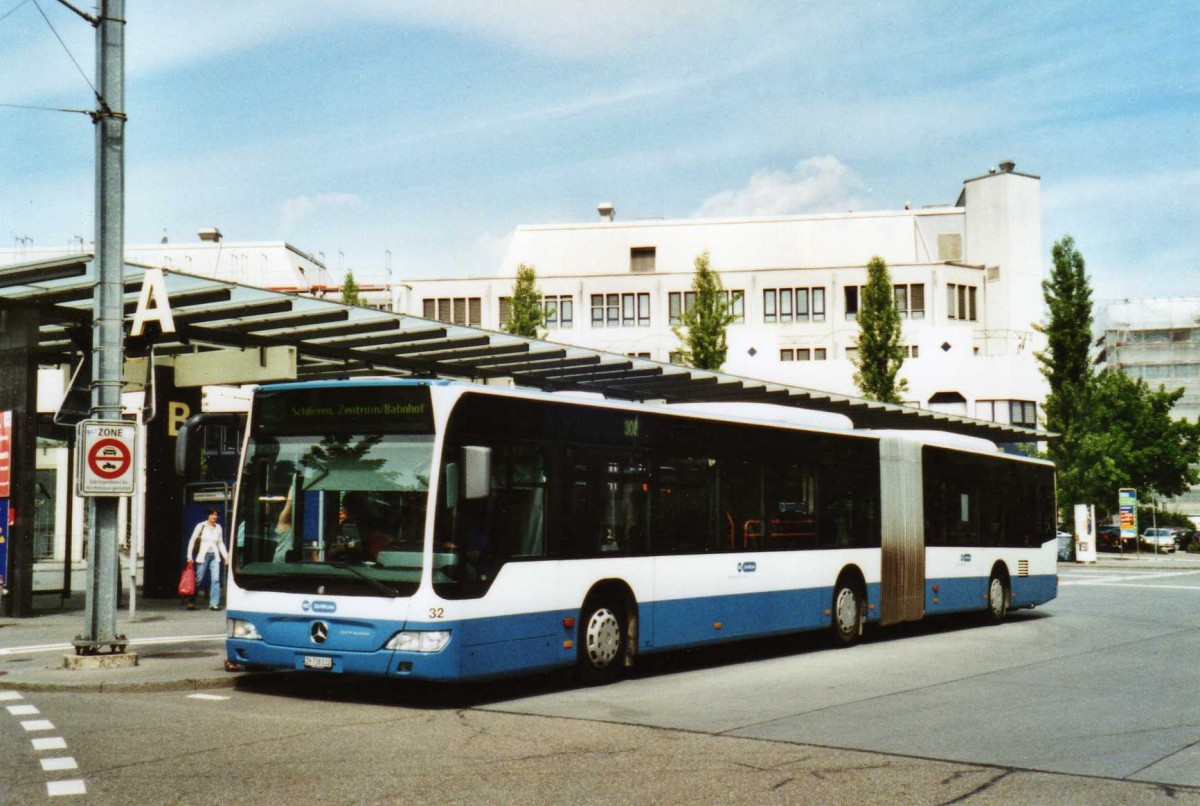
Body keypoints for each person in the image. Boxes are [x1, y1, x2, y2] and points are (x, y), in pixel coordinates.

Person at [186, 508, 230, 610]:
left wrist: (226, 556)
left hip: (215, 556)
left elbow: (220, 543)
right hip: (203, 556)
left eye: (216, 515)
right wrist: (189, 556)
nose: (214, 517)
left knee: (215, 579)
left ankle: (214, 603)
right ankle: (191, 601)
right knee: (199, 580)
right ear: (208, 515)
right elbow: (192, 541)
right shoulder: (201, 526)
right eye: (212, 514)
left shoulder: (218, 527)